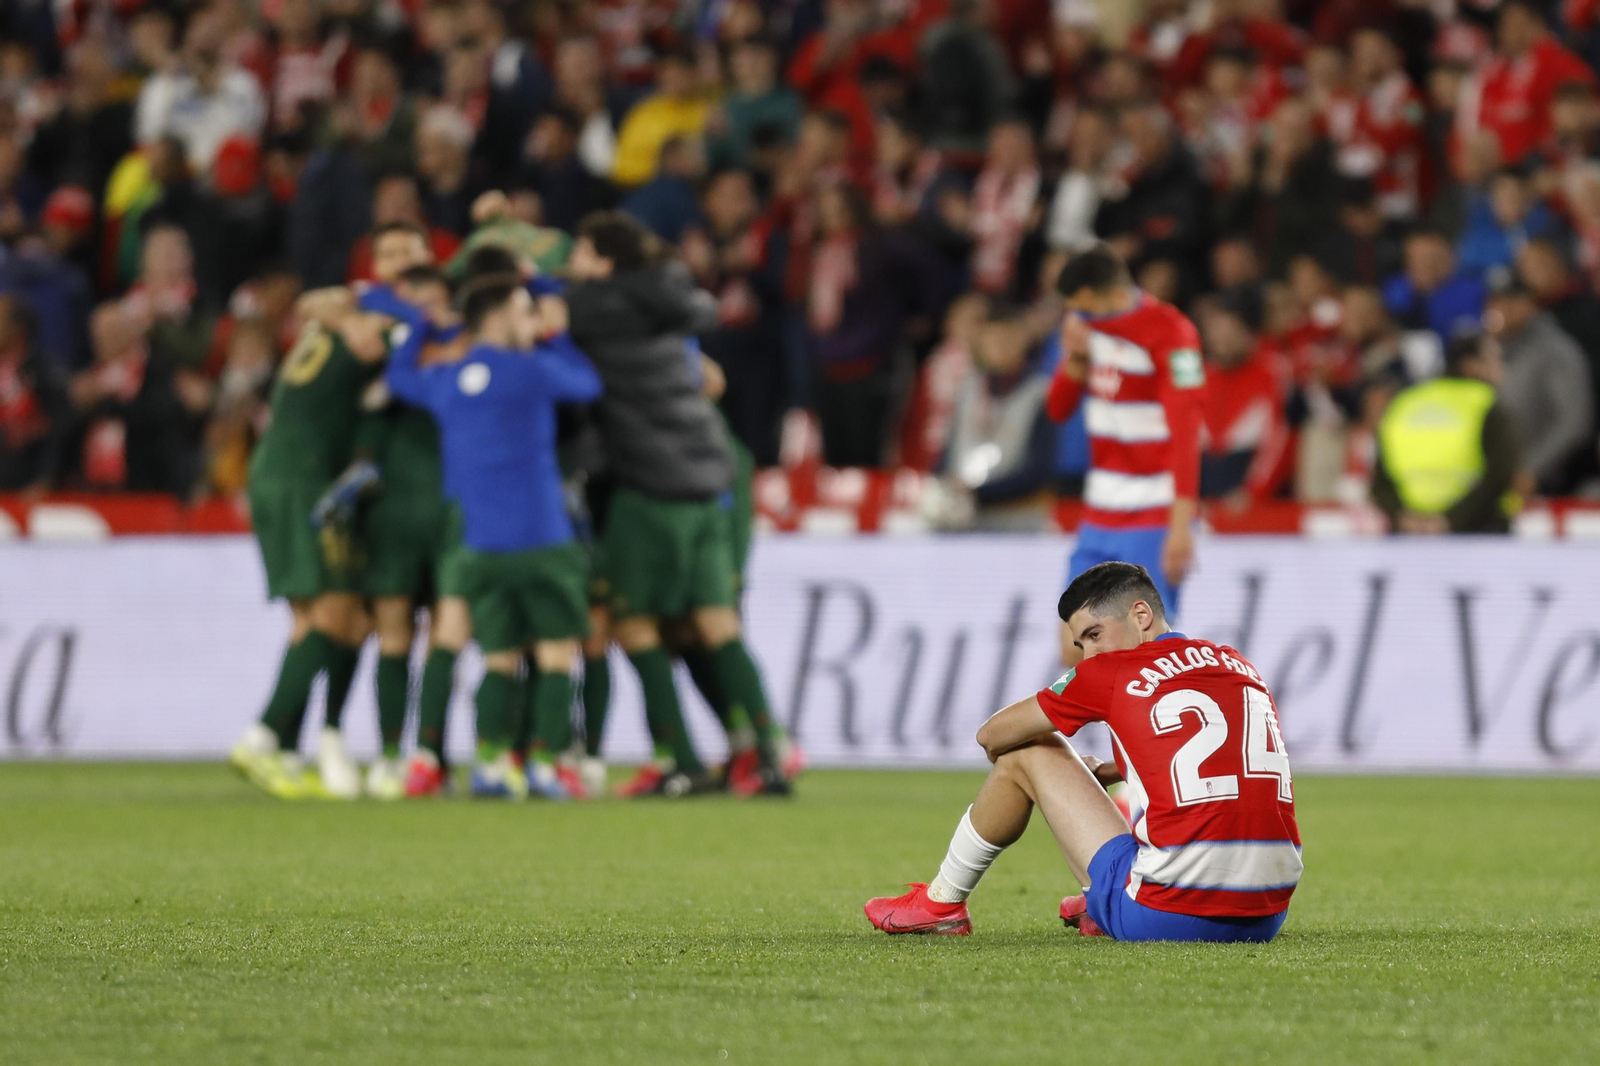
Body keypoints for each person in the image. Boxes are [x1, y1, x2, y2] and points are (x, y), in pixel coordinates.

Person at [864, 561, 1301, 942]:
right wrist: (1107, 771)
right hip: (1266, 915)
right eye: (1081, 645)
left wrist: (1039, 774)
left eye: (1094, 635)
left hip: (1166, 914)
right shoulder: (1238, 664)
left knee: (1028, 751)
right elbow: (1209, 760)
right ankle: (1104, 900)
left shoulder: (1112, 671)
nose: (1087, 656)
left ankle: (941, 903)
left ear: (1141, 615)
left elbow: (992, 736)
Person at [566, 211, 791, 797]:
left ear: (603, 261)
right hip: (708, 480)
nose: (571, 266)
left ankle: (681, 759)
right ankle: (769, 754)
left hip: (647, 485)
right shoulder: (670, 310)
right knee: (715, 622)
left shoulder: (597, 310)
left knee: (634, 624)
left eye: (580, 254)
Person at [385, 274, 602, 799]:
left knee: (499, 655)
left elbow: (398, 378)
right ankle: (545, 766)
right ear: (501, 316)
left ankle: (490, 763)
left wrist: (418, 328)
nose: (533, 320)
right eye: (525, 310)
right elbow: (587, 385)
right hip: (543, 539)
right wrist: (557, 336)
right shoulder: (530, 370)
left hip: (482, 544)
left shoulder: (447, 379)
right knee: (556, 653)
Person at [229, 291, 390, 799]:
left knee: (309, 618)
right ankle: (261, 737)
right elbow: (372, 342)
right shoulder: (366, 332)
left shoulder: (323, 327)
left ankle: (285, 752)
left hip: (276, 471)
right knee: (338, 611)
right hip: (304, 479)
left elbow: (309, 303)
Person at [1044, 244, 1204, 641]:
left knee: (1142, 647)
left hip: (1153, 512)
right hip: (1100, 512)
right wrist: (1075, 359)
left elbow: (1187, 434)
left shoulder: (1172, 333)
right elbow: (1057, 410)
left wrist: (1181, 526)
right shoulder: (1087, 326)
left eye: (1085, 308)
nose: (1079, 316)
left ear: (1115, 296)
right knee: (1073, 645)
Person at [1372, 333, 1520, 535]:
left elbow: (1379, 480)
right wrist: (1450, 519)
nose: (1502, 369)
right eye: (1495, 360)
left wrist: (1401, 516)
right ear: (1470, 365)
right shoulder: (1486, 404)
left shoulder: (1404, 402)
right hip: (1477, 533)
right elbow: (1501, 475)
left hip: (1410, 534)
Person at [1483, 275, 1594, 494]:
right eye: (1495, 301)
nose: (1500, 309)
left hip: (1546, 483)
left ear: (1530, 305)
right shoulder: (1484, 347)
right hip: (1491, 478)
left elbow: (1575, 420)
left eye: (1511, 301)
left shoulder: (1555, 350)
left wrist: (1532, 469)